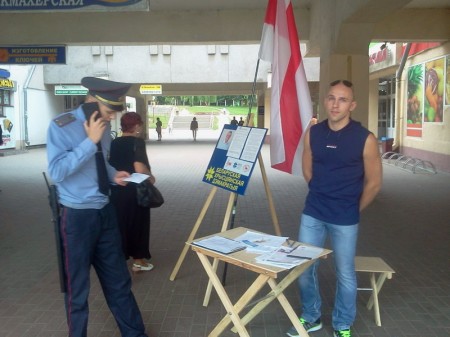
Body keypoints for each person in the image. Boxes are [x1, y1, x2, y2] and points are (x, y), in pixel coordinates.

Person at [47, 77, 148, 337]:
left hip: (105, 213)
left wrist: (114, 174)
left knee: (119, 283)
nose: (112, 118)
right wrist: (88, 141)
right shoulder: (62, 126)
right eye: (109, 111)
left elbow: (101, 163)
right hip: (77, 218)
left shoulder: (103, 128)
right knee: (77, 290)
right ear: (93, 102)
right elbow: (57, 172)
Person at [287, 80, 382, 337]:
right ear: (325, 101)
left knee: (345, 274)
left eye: (342, 99)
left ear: (352, 105)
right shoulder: (314, 133)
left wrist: (353, 208)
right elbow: (307, 168)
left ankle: (342, 324)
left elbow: (374, 183)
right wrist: (321, 191)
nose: (335, 104)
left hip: (345, 218)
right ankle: (311, 316)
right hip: (313, 213)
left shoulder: (365, 139)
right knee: (304, 268)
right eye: (331, 98)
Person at [109, 112, 156, 272]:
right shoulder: (138, 142)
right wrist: (151, 177)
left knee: (120, 224)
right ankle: (138, 261)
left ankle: (120, 260)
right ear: (136, 126)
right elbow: (139, 166)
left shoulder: (114, 142)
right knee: (139, 224)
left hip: (118, 188)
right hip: (136, 190)